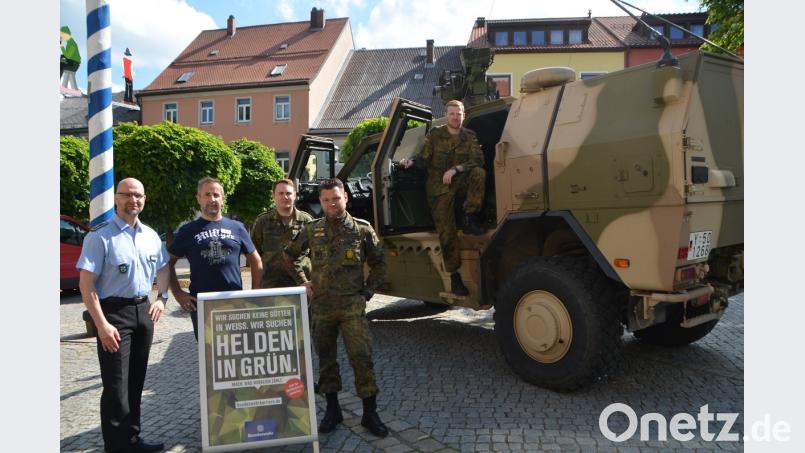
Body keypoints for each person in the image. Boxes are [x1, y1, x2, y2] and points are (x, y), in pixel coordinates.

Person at [284, 178, 389, 437]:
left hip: (352, 305)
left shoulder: (362, 230)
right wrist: (303, 282)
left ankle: (370, 413)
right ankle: (333, 410)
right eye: (326, 200)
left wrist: (366, 292)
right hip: (322, 307)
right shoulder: (312, 229)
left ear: (345, 198)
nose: (332, 203)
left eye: (336, 198)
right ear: (321, 202)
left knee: (361, 358)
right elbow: (290, 256)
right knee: (326, 360)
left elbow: (380, 263)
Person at [77, 177, 170, 453]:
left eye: (138, 195)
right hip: (114, 315)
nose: (134, 200)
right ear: (116, 198)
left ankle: (132, 439)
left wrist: (162, 298)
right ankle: (116, 447)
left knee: (135, 382)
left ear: (145, 199)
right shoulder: (100, 236)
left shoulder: (151, 235)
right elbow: (86, 284)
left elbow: (163, 268)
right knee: (116, 386)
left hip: (144, 313)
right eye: (127, 195)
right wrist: (101, 324)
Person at [399, 99, 486, 296]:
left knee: (479, 172)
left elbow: (478, 159)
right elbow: (424, 159)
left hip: (459, 181)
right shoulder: (436, 135)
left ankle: (469, 215)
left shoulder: (469, 136)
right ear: (446, 116)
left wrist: (456, 169)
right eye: (452, 114)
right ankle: (455, 278)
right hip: (439, 188)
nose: (456, 117)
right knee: (447, 233)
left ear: (464, 115)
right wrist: (410, 162)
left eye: (459, 114)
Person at [168, 176, 263, 339]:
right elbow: (167, 263)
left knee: (237, 351)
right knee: (209, 355)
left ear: (223, 199)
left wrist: (254, 294)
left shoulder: (237, 227)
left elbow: (256, 261)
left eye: (216, 195)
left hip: (235, 303)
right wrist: (177, 292)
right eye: (207, 195)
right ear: (198, 198)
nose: (212, 199)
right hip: (202, 304)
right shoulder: (187, 231)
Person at [250, 179, 313, 288]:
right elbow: (255, 254)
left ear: (295, 196)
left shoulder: (306, 220)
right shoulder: (263, 221)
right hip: (271, 286)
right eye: (281, 193)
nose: (285, 197)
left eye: (288, 193)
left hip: (300, 285)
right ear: (273, 196)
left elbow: (314, 253)